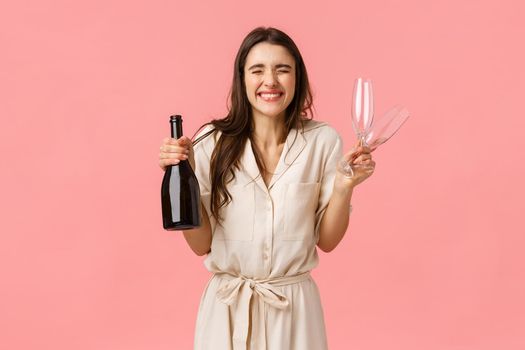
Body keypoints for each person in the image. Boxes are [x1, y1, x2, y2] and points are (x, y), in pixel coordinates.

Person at [158, 26, 375, 350]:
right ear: (241, 78)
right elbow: (200, 244)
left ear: (297, 78)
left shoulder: (322, 141)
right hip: (227, 311)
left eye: (282, 69)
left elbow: (327, 241)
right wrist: (181, 171)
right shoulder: (209, 142)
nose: (270, 81)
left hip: (295, 312)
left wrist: (345, 186)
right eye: (257, 70)